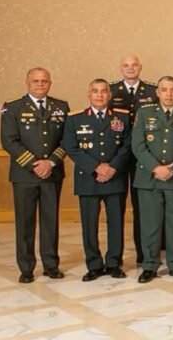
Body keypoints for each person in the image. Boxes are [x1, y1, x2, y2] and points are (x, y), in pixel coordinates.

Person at [0, 67, 69, 283]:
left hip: (52, 173)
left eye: (44, 81)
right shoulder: (12, 107)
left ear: (50, 83)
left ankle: (51, 265)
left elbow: (67, 140)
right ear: (27, 83)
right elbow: (9, 141)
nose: (40, 84)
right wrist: (34, 165)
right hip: (24, 175)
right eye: (36, 81)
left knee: (50, 221)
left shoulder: (61, 107)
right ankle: (26, 268)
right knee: (25, 223)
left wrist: (50, 162)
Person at [63, 79, 130, 282]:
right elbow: (71, 147)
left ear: (109, 95)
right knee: (89, 225)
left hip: (114, 177)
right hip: (88, 179)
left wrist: (112, 167)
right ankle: (93, 265)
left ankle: (114, 263)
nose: (99, 95)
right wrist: (96, 167)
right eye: (95, 91)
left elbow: (127, 146)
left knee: (116, 223)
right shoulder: (75, 119)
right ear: (89, 94)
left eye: (103, 91)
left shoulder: (122, 117)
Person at [132, 76, 173, 283]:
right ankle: (149, 265)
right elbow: (138, 146)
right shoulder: (144, 113)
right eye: (164, 90)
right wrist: (156, 167)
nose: (169, 94)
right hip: (149, 178)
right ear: (157, 92)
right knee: (150, 225)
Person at [109, 55, 157, 267]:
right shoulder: (111, 90)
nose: (130, 68)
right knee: (116, 207)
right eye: (126, 65)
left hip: (143, 156)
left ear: (140, 67)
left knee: (143, 207)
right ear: (121, 68)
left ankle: (143, 253)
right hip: (118, 156)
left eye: (134, 65)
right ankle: (115, 257)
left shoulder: (152, 91)